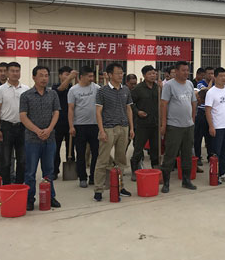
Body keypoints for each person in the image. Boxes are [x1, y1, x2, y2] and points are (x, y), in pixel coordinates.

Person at [19, 65, 62, 211]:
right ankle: (29, 199)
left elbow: (56, 112)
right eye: (41, 75)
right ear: (34, 77)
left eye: (46, 75)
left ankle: (50, 196)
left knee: (49, 170)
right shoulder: (26, 96)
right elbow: (23, 116)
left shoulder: (53, 94)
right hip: (32, 140)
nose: (44, 78)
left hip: (49, 138)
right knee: (30, 171)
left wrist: (49, 129)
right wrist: (37, 131)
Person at [94, 63, 134, 201]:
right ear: (110, 75)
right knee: (103, 160)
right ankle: (98, 190)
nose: (120, 75)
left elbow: (129, 109)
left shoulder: (126, 90)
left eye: (122, 73)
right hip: (108, 128)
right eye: (118, 73)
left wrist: (131, 128)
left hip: (123, 128)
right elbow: (98, 112)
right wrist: (101, 131)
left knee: (121, 160)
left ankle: (120, 187)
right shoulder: (102, 91)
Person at [160, 60, 197, 192]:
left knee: (187, 154)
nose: (186, 73)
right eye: (183, 70)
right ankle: (166, 183)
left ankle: (186, 180)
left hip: (188, 126)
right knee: (170, 154)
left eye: (187, 70)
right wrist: (163, 124)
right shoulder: (169, 85)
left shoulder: (190, 84)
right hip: (174, 126)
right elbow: (163, 105)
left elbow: (193, 102)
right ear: (176, 71)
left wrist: (192, 119)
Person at [0, 61, 29, 186]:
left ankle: (19, 185)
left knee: (22, 160)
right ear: (7, 73)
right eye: (12, 71)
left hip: (22, 127)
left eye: (17, 71)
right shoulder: (0, 90)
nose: (15, 73)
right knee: (5, 160)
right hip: (6, 127)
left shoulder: (26, 89)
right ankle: (6, 185)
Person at [68, 65, 101, 188]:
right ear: (81, 77)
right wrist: (71, 126)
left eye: (92, 76)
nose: (92, 78)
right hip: (79, 126)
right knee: (80, 154)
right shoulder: (73, 90)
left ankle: (93, 177)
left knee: (96, 153)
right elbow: (71, 109)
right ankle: (82, 177)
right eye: (89, 76)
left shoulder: (97, 88)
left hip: (95, 125)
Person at [205, 67, 225, 183]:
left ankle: (223, 173)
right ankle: (215, 174)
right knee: (216, 152)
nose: (224, 78)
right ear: (215, 77)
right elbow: (208, 110)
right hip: (217, 127)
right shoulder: (211, 92)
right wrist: (211, 126)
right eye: (221, 76)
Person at [130, 65, 159, 179]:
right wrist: (137, 112)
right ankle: (135, 169)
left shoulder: (158, 87)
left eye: (154, 73)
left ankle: (155, 169)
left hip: (155, 123)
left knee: (155, 148)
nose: (153, 76)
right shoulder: (138, 89)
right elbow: (130, 103)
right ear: (144, 75)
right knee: (138, 148)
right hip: (142, 124)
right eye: (150, 74)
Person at [52, 66, 78, 180]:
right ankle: (54, 171)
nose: (68, 77)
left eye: (69, 74)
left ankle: (72, 169)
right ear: (60, 75)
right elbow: (61, 89)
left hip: (71, 122)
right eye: (66, 74)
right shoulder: (55, 87)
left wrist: (76, 78)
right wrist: (70, 77)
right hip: (58, 122)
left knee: (71, 147)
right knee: (56, 148)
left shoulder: (73, 88)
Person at [194, 66, 214, 165]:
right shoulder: (200, 83)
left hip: (210, 113)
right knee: (198, 136)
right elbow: (206, 92)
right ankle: (197, 157)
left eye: (212, 74)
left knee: (209, 136)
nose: (211, 75)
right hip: (201, 112)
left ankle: (211, 156)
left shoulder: (215, 85)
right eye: (209, 73)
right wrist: (211, 82)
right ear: (205, 74)